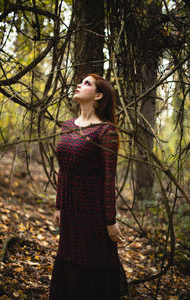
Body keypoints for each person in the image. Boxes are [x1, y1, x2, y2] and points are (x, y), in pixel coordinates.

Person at [49, 74, 128, 300]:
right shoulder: (67, 126)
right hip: (70, 210)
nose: (79, 85)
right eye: (81, 82)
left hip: (93, 212)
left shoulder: (106, 131)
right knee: (69, 260)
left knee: (93, 266)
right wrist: (58, 206)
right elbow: (62, 170)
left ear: (98, 95)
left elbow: (108, 179)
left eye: (87, 83)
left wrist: (110, 221)